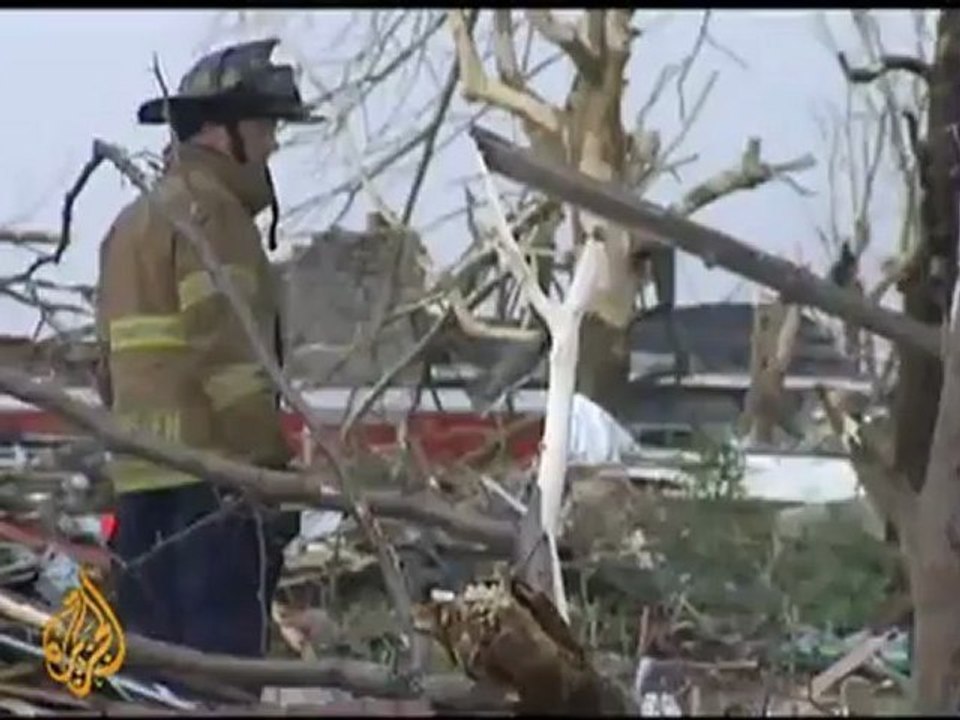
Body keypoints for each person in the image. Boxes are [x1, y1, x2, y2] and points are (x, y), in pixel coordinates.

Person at [94, 37, 323, 661]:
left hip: (141, 491)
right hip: (215, 487)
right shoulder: (213, 216)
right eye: (265, 126)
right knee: (217, 677)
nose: (273, 143)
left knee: (151, 675)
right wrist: (268, 477)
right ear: (224, 134)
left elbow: (107, 368)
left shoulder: (130, 223)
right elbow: (232, 364)